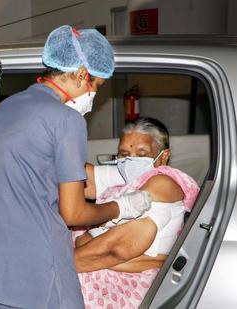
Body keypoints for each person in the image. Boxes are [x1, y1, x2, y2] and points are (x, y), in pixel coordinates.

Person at [0, 25, 153, 308]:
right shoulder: (66, 120)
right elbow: (73, 213)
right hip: (37, 278)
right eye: (97, 86)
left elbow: (35, 174)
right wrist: (122, 207)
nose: (95, 95)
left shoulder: (6, 108)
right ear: (82, 75)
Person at [75, 117, 200, 308]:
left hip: (124, 282)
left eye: (141, 154)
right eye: (124, 153)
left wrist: (58, 262)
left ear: (163, 156)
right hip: (106, 265)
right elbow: (83, 178)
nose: (131, 161)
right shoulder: (129, 175)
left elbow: (115, 248)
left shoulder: (163, 183)